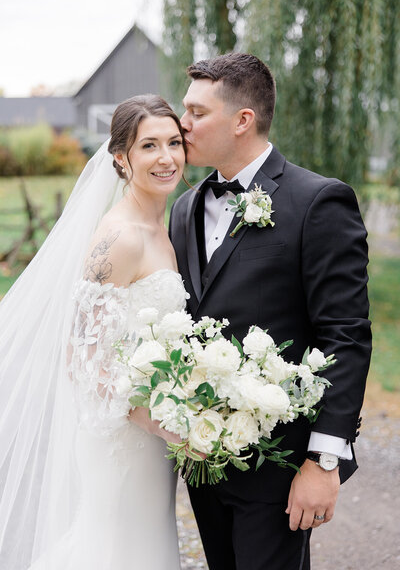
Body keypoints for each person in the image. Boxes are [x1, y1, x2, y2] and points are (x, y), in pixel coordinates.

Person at [169, 53, 371, 570]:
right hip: (204, 460)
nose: (181, 123)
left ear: (243, 120)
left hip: (279, 463)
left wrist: (323, 461)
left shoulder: (318, 201)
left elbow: (344, 336)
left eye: (196, 112)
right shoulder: (185, 206)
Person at [0, 95, 189, 569]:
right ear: (122, 159)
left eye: (174, 142)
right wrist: (155, 419)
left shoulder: (161, 225)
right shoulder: (121, 237)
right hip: (124, 438)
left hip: (154, 436)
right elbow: (81, 359)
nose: (166, 157)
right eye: (149, 145)